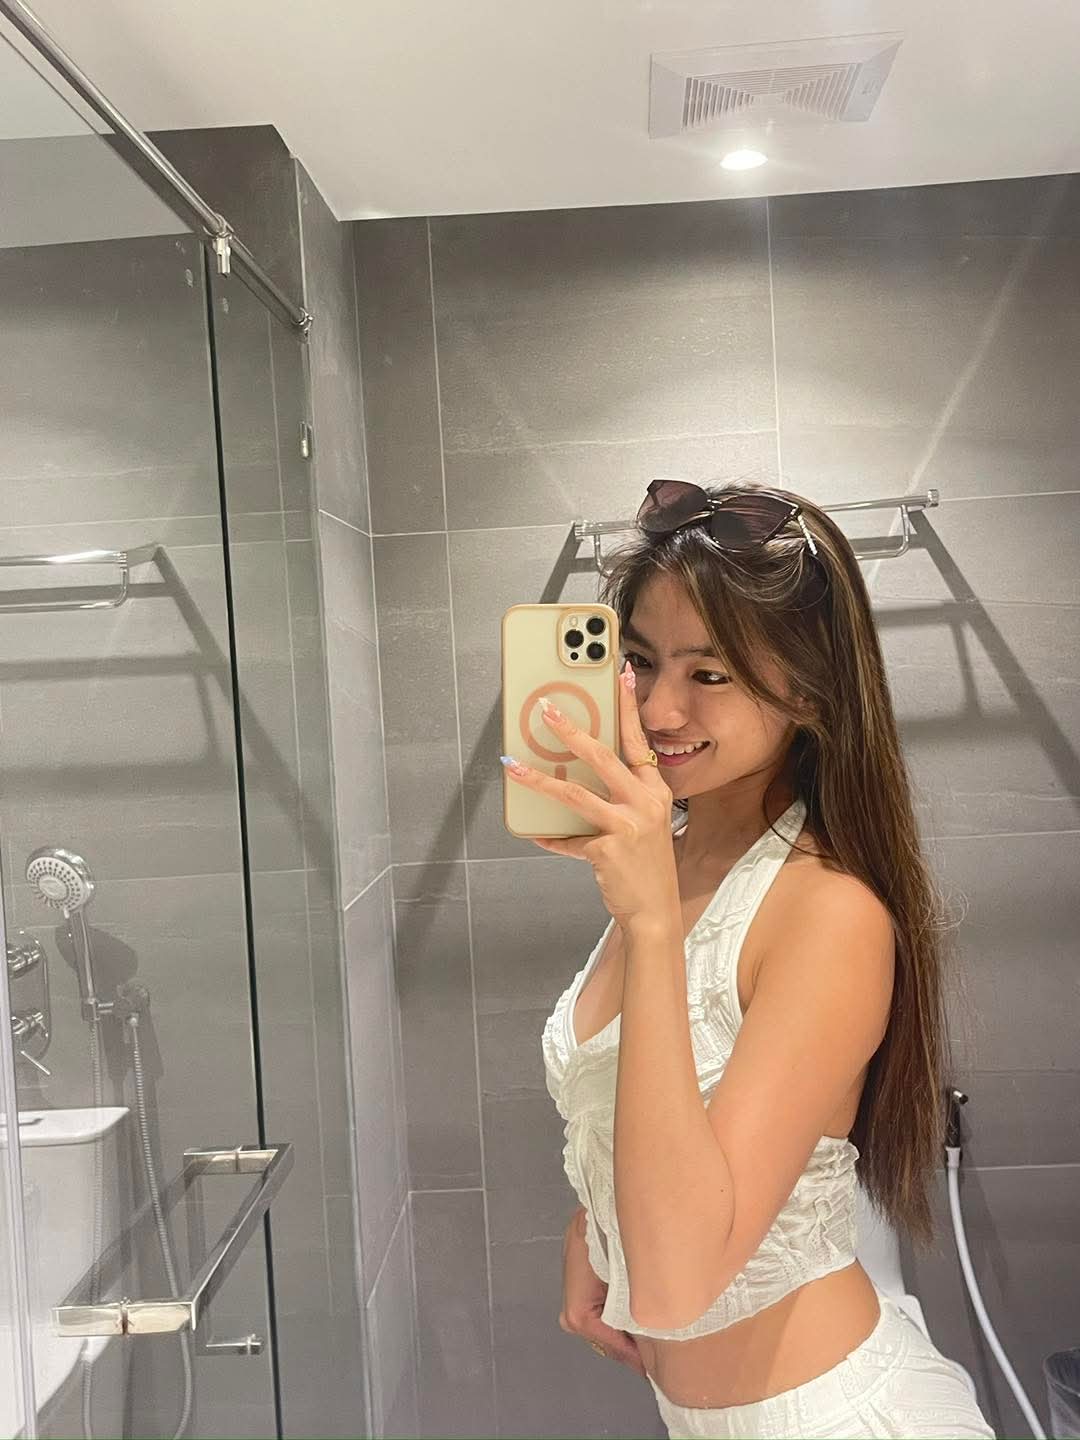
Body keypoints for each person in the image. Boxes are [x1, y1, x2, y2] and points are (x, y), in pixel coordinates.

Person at [503, 480, 997, 1438]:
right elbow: (652, 1117)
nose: (658, 708)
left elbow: (676, 1285)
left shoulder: (827, 911)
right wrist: (593, 1227)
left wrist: (650, 923)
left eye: (713, 673)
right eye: (639, 661)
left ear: (807, 688)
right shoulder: (679, 856)